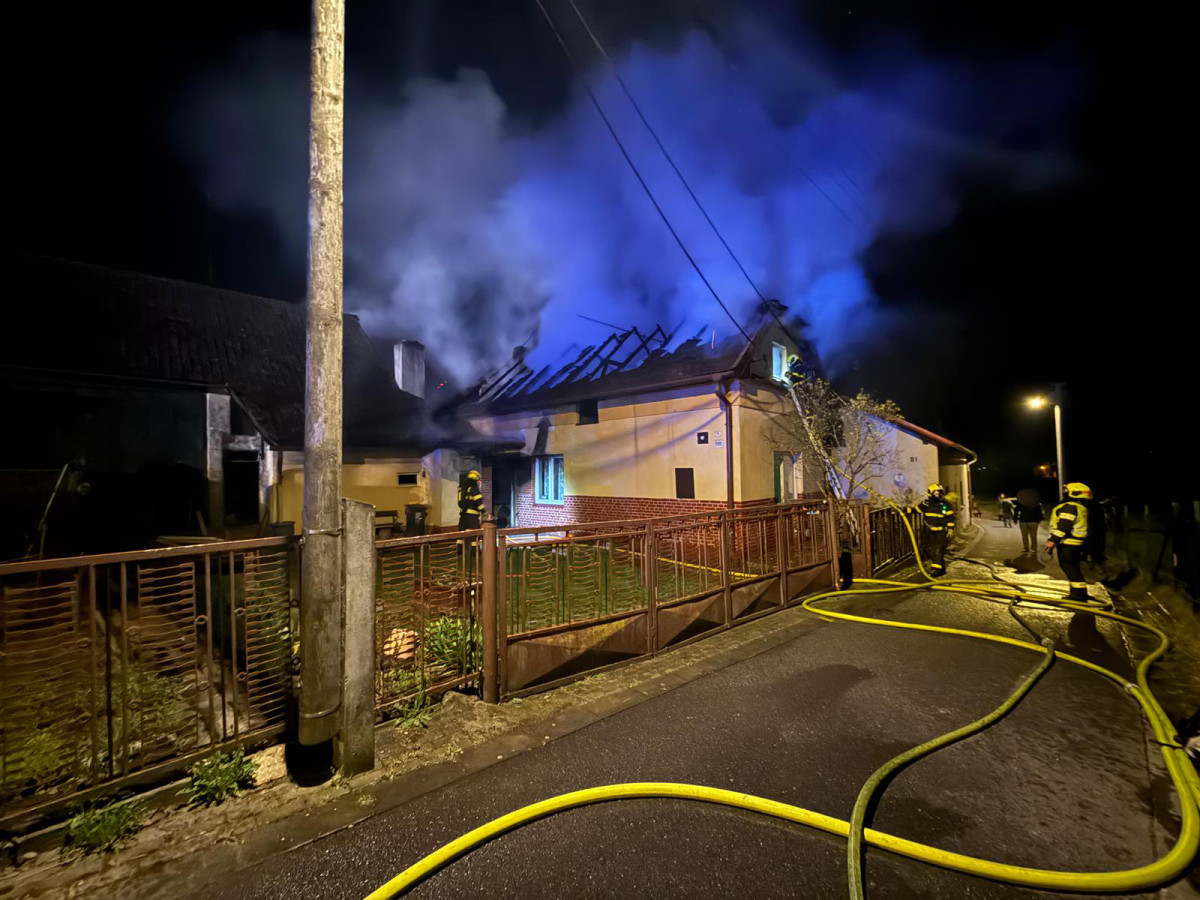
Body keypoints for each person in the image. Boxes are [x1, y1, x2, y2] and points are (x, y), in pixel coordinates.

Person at [1046, 482, 1092, 601]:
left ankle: (1077, 596)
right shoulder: (1080, 507)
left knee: (1070, 569)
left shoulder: (1069, 507)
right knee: (1074, 569)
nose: (1064, 493)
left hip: (1068, 544)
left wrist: (1052, 540)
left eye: (1066, 491)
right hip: (1076, 543)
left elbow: (1064, 526)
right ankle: (1081, 592)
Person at [918, 483, 955, 575]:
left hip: (941, 531)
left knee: (938, 549)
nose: (938, 494)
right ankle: (941, 568)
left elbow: (950, 518)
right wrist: (903, 510)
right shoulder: (926, 504)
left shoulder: (945, 504)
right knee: (931, 549)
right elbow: (916, 510)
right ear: (930, 493)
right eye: (936, 492)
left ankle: (936, 570)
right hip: (929, 531)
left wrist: (950, 529)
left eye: (939, 492)